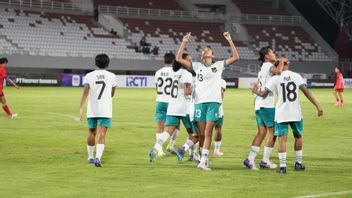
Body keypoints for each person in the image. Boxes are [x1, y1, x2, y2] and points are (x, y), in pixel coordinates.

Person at [176, 32, 239, 170]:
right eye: (204, 50)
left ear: (212, 55)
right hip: (199, 103)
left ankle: (203, 161)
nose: (206, 50)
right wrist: (184, 42)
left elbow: (236, 57)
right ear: (203, 56)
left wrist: (229, 40)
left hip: (213, 103)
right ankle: (202, 159)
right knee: (202, 134)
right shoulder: (197, 66)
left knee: (209, 132)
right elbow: (178, 58)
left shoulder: (218, 65)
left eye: (208, 50)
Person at [252, 63, 323, 174]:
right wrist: (318, 106)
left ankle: (283, 167)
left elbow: (263, 94)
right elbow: (307, 92)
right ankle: (298, 164)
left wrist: (255, 91)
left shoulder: (275, 79)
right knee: (298, 137)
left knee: (282, 140)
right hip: (296, 112)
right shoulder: (296, 76)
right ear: (286, 65)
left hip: (281, 113)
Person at [243, 46, 286, 170]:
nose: (274, 54)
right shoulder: (267, 65)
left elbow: (258, 83)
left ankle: (250, 159)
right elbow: (278, 71)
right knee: (273, 133)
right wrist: (282, 61)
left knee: (261, 132)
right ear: (267, 56)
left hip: (259, 103)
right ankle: (265, 160)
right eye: (272, 52)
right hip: (266, 104)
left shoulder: (263, 67)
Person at [149, 56, 194, 163]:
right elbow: (187, 92)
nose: (190, 62)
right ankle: (191, 154)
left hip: (172, 106)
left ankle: (155, 149)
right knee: (193, 133)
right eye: (188, 60)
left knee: (168, 132)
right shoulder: (187, 74)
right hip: (185, 107)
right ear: (183, 62)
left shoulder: (174, 73)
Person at [79, 54, 117, 167]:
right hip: (105, 109)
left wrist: (81, 107)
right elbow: (112, 94)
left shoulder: (89, 76)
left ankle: (90, 157)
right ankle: (98, 158)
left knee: (91, 132)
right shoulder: (112, 76)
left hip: (92, 109)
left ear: (95, 63)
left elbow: (85, 93)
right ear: (108, 63)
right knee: (102, 134)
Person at [154, 53, 176, 157]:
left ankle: (159, 150)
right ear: (173, 61)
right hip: (171, 102)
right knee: (174, 126)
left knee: (160, 126)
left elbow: (157, 88)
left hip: (160, 101)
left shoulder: (158, 72)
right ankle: (171, 145)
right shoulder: (175, 72)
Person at [213, 79, 226, 157]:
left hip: (205, 106)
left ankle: (199, 152)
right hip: (217, 107)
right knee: (218, 128)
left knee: (204, 130)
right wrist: (219, 103)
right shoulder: (221, 81)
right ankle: (216, 151)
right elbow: (221, 93)